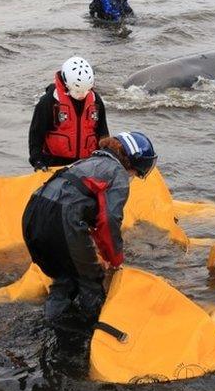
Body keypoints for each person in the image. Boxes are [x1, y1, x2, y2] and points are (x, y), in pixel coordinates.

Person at [22, 132, 157, 325]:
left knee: (66, 277)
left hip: (32, 215)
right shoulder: (117, 173)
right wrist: (115, 259)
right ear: (134, 162)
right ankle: (91, 331)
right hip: (61, 218)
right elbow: (109, 220)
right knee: (91, 280)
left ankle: (52, 323)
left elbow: (86, 210)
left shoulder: (86, 162)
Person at [28, 56, 110, 170]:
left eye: (86, 90)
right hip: (55, 165)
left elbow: (103, 132)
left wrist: (105, 157)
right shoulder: (49, 102)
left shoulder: (96, 101)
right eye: (78, 91)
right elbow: (36, 134)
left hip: (88, 164)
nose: (82, 95)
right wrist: (37, 160)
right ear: (66, 84)